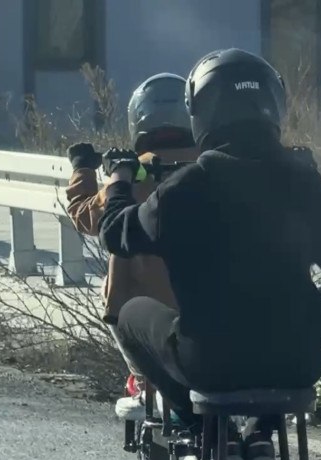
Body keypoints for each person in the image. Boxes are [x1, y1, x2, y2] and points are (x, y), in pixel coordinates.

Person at [96, 48, 321, 460]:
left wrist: (120, 182)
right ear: (274, 107)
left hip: (211, 362)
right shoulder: (301, 180)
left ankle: (203, 428)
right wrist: (313, 189)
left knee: (130, 316)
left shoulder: (185, 189)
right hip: (301, 360)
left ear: (201, 113)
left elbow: (116, 234)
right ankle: (260, 434)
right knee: (268, 346)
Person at [65, 73, 199, 422]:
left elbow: (85, 217)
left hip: (144, 307)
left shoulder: (132, 173)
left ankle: (142, 384)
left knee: (114, 297)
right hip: (209, 305)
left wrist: (84, 168)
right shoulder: (211, 166)